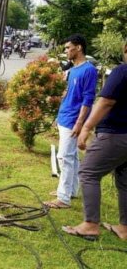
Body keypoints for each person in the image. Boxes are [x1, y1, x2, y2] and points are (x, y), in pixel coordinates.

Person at [61, 40, 127, 240]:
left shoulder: (122, 71)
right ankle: (124, 228)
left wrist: (86, 127)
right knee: (125, 181)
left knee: (88, 172)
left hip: (115, 134)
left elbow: (105, 101)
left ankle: (90, 224)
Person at [45, 35, 98, 209]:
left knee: (64, 157)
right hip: (65, 117)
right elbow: (70, 93)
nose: (66, 51)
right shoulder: (73, 69)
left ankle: (63, 198)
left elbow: (88, 99)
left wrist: (79, 123)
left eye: (68, 48)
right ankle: (71, 190)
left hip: (73, 120)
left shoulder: (88, 70)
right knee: (72, 158)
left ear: (79, 48)